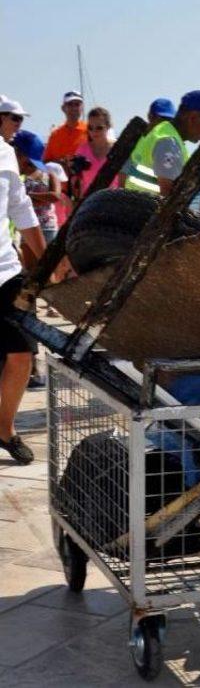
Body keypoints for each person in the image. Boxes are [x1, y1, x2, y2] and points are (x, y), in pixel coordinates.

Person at [0, 134, 48, 463]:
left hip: (7, 271)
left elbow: (21, 209)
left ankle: (4, 430)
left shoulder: (4, 153)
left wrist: (47, 263)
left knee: (22, 355)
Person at [124, 89, 200, 197]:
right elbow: (168, 197)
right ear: (192, 118)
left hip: (135, 207)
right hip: (145, 211)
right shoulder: (168, 143)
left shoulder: (163, 132)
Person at [43, 91, 87, 183]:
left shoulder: (91, 131)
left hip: (86, 186)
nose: (74, 108)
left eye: (77, 104)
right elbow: (46, 162)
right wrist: (61, 163)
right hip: (61, 188)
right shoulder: (55, 135)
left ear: (82, 107)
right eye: (70, 104)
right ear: (63, 108)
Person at [73, 106, 118, 196]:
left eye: (99, 128)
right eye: (90, 127)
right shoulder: (82, 150)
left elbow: (123, 181)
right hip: (90, 204)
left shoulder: (117, 149)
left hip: (114, 203)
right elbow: (76, 183)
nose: (94, 131)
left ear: (108, 126)